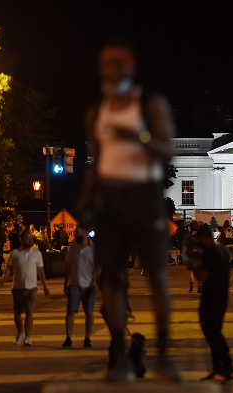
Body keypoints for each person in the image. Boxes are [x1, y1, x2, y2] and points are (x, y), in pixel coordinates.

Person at [78, 42, 178, 383]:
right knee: (110, 278)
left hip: (143, 194)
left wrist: (140, 136)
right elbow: (95, 160)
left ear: (129, 69)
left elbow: (167, 151)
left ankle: (164, 355)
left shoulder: (149, 103)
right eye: (105, 66)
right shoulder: (97, 111)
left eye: (117, 66)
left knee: (156, 275)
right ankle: (118, 353)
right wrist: (85, 200)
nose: (110, 73)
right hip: (110, 197)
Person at [186, 225, 233, 383]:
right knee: (217, 334)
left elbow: (205, 277)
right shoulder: (222, 250)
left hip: (211, 297)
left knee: (212, 335)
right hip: (222, 296)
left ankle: (218, 370)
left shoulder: (210, 253)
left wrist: (194, 266)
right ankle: (228, 368)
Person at [0, 229, 50, 346]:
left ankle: (28, 336)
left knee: (29, 312)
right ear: (21, 240)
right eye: (27, 238)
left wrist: (45, 286)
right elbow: (9, 269)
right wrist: (3, 279)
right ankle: (20, 333)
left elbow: (41, 271)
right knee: (17, 312)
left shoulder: (36, 254)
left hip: (31, 288)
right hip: (17, 287)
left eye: (31, 238)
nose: (30, 240)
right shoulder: (15, 254)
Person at [62, 224, 97, 348]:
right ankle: (68, 337)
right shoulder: (73, 248)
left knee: (89, 313)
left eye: (77, 232)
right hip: (75, 284)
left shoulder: (93, 249)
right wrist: (66, 282)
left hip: (89, 285)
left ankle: (87, 338)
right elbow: (68, 265)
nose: (75, 235)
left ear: (84, 232)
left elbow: (97, 268)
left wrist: (96, 284)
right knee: (70, 312)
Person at [182, 220, 202, 293]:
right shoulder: (200, 234)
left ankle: (191, 287)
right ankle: (200, 285)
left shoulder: (188, 235)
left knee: (190, 271)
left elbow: (184, 246)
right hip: (199, 255)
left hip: (190, 255)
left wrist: (183, 256)